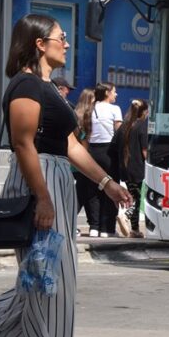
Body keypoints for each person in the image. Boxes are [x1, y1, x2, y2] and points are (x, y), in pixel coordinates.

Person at [0, 14, 130, 337]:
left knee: (46, 285)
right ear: (39, 44)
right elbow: (22, 144)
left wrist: (107, 184)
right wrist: (44, 198)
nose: (66, 44)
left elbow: (70, 146)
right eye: (60, 38)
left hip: (55, 181)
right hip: (39, 184)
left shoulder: (49, 88)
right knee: (48, 286)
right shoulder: (25, 85)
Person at [87, 82, 121, 237]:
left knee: (94, 189)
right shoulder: (115, 109)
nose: (116, 94)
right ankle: (107, 228)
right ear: (107, 92)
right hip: (109, 151)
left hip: (92, 150)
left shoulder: (91, 107)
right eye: (114, 92)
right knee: (112, 187)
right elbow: (119, 132)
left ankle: (94, 227)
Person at [111, 99, 148, 238]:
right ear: (143, 112)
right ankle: (125, 216)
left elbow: (113, 145)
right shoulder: (142, 126)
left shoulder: (124, 126)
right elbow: (145, 150)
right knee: (136, 198)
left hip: (124, 168)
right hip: (137, 168)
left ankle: (135, 230)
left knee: (133, 196)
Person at [72, 88, 96, 235]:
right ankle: (91, 224)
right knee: (82, 195)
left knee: (83, 193)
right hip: (81, 160)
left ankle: (93, 224)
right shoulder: (87, 117)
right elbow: (84, 142)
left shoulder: (74, 114)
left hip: (71, 161)